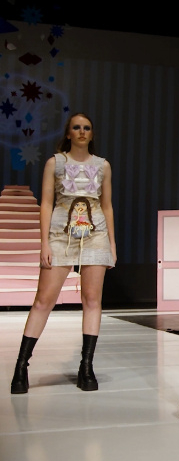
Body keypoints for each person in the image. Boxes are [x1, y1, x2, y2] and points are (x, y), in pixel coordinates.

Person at [9, 113, 115, 394]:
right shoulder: (55, 163)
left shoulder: (103, 165)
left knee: (92, 300)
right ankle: (21, 366)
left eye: (87, 128)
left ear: (92, 134)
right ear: (68, 133)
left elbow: (107, 206)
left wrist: (112, 245)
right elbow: (46, 203)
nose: (82, 132)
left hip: (96, 235)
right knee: (43, 300)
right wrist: (43, 243)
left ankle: (86, 366)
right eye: (76, 127)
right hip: (60, 234)